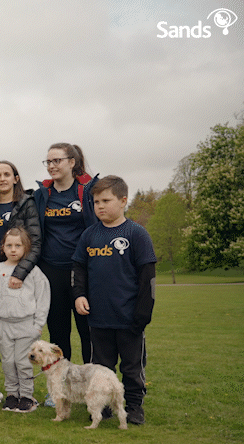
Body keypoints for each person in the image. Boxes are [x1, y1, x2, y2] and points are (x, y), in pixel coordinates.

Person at [72, 175, 156, 425]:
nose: (100, 206)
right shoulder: (89, 235)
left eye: (105, 201)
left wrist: (142, 315)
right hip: (98, 318)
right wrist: (79, 295)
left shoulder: (136, 234)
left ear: (123, 201)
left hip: (129, 318)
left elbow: (148, 279)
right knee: (100, 368)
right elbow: (78, 269)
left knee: (131, 367)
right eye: (96, 202)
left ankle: (134, 406)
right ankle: (103, 406)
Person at [0, 160, 42, 404]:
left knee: (18, 348)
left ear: (15, 178)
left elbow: (34, 242)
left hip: (17, 277)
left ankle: (24, 393)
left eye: (7, 174)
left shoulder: (26, 204)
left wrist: (20, 273)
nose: (2, 179)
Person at [34, 144, 98, 370]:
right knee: (58, 333)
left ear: (72, 162)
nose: (51, 166)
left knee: (88, 332)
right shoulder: (41, 195)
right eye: (48, 162)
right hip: (51, 271)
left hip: (82, 272)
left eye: (57, 161)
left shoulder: (88, 191)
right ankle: (61, 384)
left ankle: (93, 381)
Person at [0, 227, 49, 413]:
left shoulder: (33, 272)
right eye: (9, 245)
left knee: (23, 362)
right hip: (4, 325)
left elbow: (43, 298)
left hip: (26, 325)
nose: (13, 249)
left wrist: (38, 325)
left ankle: (26, 396)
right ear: (2, 247)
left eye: (18, 245)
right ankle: (12, 395)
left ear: (26, 247)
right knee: (8, 362)